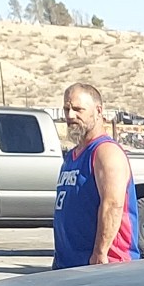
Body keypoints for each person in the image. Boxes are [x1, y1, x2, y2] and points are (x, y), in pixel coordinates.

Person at [54, 83, 135, 269]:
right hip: (69, 264)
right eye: (66, 109)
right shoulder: (72, 156)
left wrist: (100, 252)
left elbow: (113, 205)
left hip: (104, 265)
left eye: (78, 109)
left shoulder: (105, 152)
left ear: (98, 111)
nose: (70, 116)